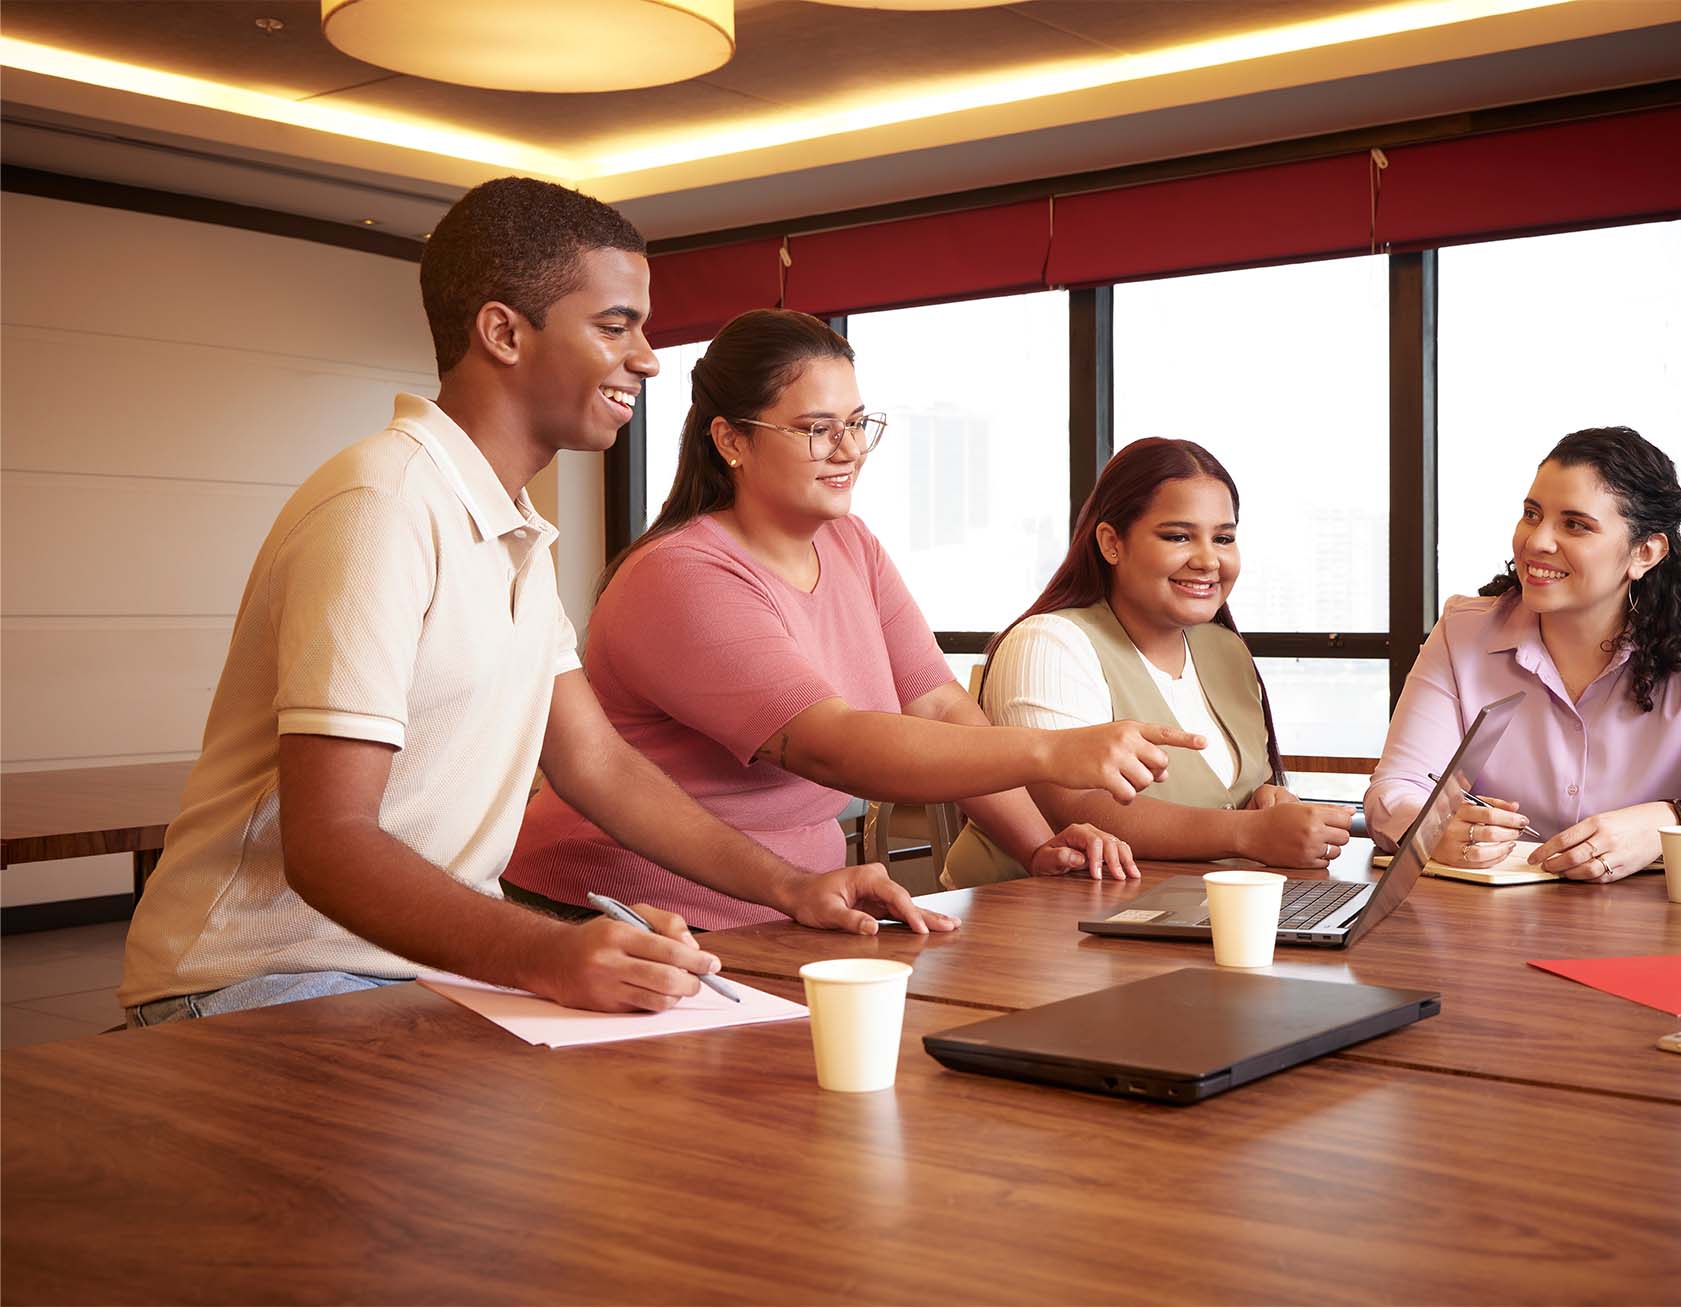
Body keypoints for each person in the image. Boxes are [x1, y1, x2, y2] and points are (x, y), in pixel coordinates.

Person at [118, 179, 954, 1027]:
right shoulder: (383, 505)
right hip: (262, 981)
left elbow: (598, 764)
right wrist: (549, 953)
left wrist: (793, 886)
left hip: (422, 973)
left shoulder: (511, 527)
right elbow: (329, 843)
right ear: (504, 333)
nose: (648, 359)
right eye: (615, 326)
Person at [501, 310, 1201, 927]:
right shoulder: (681, 573)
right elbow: (830, 744)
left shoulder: (850, 544)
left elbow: (936, 703)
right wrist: (1052, 751)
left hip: (785, 907)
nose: (850, 450)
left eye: (858, 424)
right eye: (818, 429)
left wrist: (1036, 844)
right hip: (621, 908)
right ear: (731, 440)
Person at [1365, 426, 1681, 881]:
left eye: (1575, 525)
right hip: (1488, 915)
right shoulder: (1461, 633)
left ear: (1645, 552)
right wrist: (1431, 827)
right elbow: (1395, 790)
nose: (1537, 541)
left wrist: (1664, 824)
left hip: (1644, 919)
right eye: (1532, 514)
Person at [940, 438, 1355, 888]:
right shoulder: (1048, 643)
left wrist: (1267, 802)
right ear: (1111, 543)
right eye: (1178, 536)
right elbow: (1075, 808)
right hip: (1026, 915)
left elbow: (1234, 798)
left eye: (1223, 538)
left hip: (1176, 911)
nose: (1208, 560)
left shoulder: (1226, 651)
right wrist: (1247, 832)